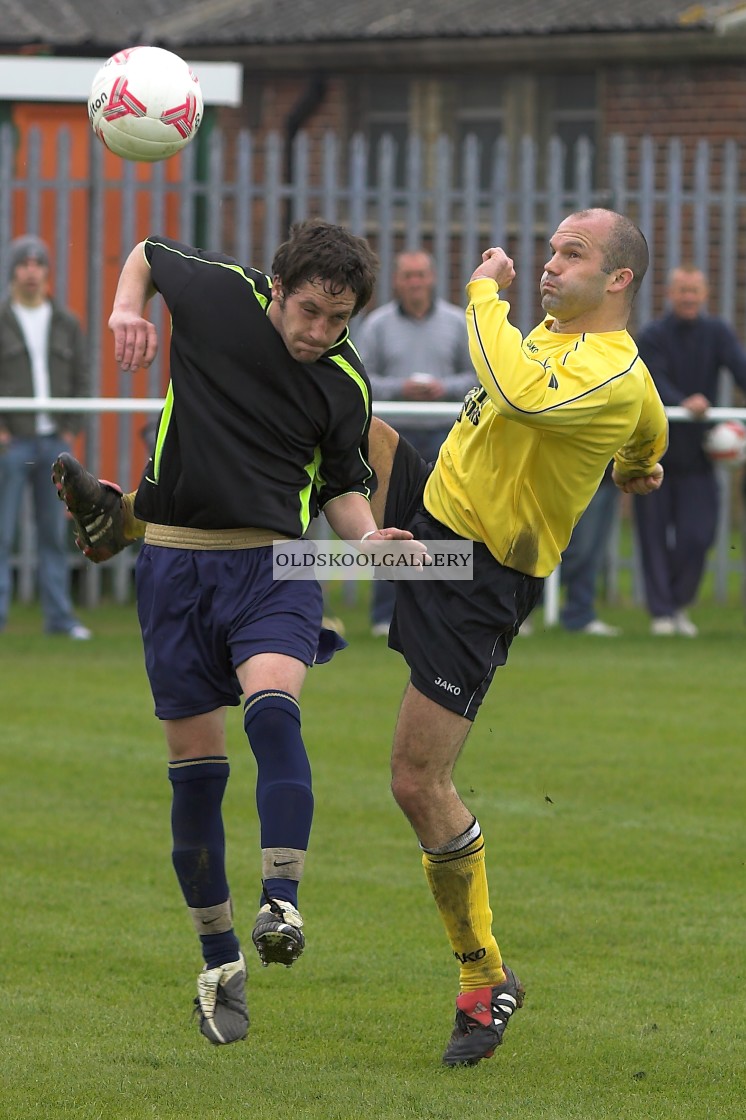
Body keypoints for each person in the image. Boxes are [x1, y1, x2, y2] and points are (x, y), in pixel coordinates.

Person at [54, 209, 668, 1068]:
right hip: (430, 510)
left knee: (417, 782)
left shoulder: (602, 367)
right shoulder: (560, 344)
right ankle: (134, 523)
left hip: (475, 571)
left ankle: (483, 975)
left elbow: (537, 394)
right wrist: (640, 466)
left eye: (571, 254)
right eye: (550, 248)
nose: (547, 266)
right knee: (345, 422)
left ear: (618, 281)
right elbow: (648, 437)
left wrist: (481, 293)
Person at [53, 219, 423, 1048]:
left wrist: (366, 538)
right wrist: (124, 311)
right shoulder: (218, 294)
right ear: (276, 290)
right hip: (177, 567)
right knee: (196, 774)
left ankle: (282, 899)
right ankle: (219, 962)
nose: (319, 333)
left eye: (339, 320)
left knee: (273, 703)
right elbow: (146, 252)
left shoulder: (343, 384)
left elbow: (340, 484)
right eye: (308, 312)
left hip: (276, 566)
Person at [354, 250, 474, 636]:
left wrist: (443, 388)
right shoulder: (376, 325)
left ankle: (441, 611)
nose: (415, 282)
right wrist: (401, 388)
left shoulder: (457, 322)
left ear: (432, 277)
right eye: (407, 275)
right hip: (394, 440)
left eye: (421, 274)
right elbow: (363, 377)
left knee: (444, 525)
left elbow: (475, 375)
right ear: (397, 281)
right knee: (388, 522)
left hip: (445, 436)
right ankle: (383, 614)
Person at [634, 264, 746, 635]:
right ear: (670, 293)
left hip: (700, 455)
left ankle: (679, 605)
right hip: (652, 453)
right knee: (652, 535)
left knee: (699, 535)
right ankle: (661, 614)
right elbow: (652, 380)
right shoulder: (652, 334)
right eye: (682, 290)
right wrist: (685, 402)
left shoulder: (717, 332)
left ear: (705, 295)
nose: (688, 297)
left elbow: (740, 368)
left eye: (694, 290)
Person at [0, 235, 91, 639]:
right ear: (13, 271)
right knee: (3, 532)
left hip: (55, 441)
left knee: (55, 533)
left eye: (39, 264)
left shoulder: (65, 322)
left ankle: (60, 618)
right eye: (24, 264)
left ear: (47, 272)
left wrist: (71, 427)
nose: (31, 271)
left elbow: (82, 378)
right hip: (11, 442)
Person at [559, 464, 621, 635]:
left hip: (611, 473)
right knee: (579, 550)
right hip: (581, 474)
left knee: (595, 554)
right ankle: (525, 600)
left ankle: (580, 613)